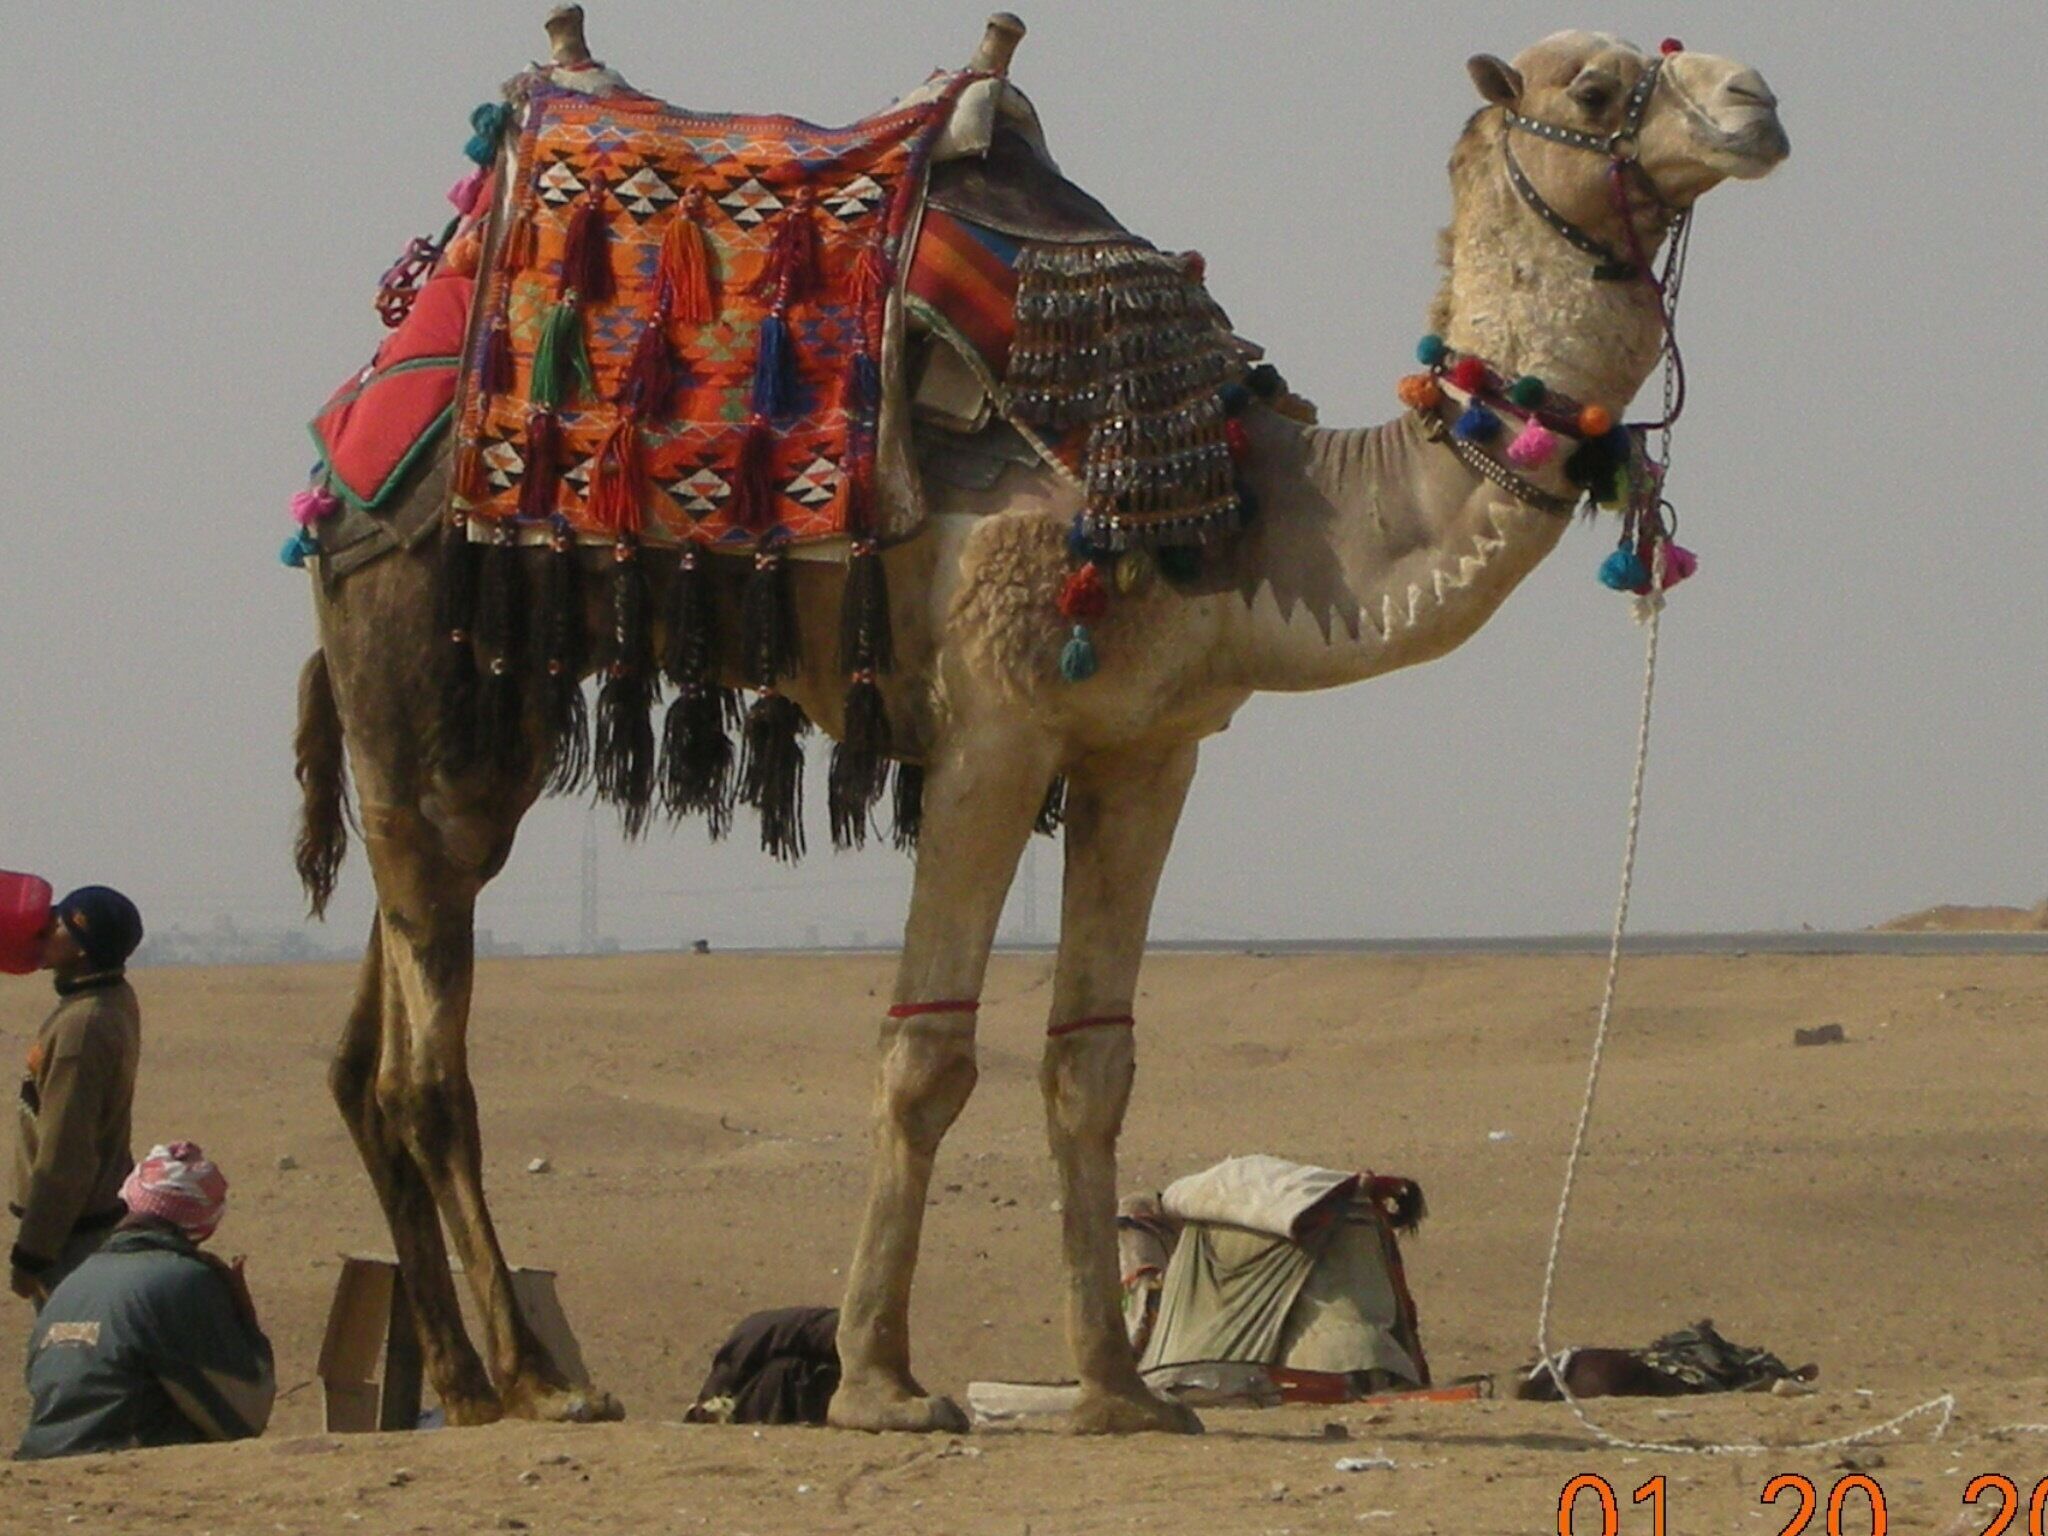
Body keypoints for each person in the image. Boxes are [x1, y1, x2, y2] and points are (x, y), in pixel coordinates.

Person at [18, 1141, 275, 1458]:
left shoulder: (71, 1283)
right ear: (205, 1221)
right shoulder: (185, 1281)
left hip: (39, 1456)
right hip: (123, 1461)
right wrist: (244, 1320)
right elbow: (244, 1415)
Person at [10, 886, 145, 1305]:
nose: (43, 927)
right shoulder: (111, 997)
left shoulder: (81, 1027)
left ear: (83, 949)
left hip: (73, 1238)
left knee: (69, 1343)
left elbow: (65, 1153)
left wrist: (33, 1253)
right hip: (89, 1223)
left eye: (59, 925)